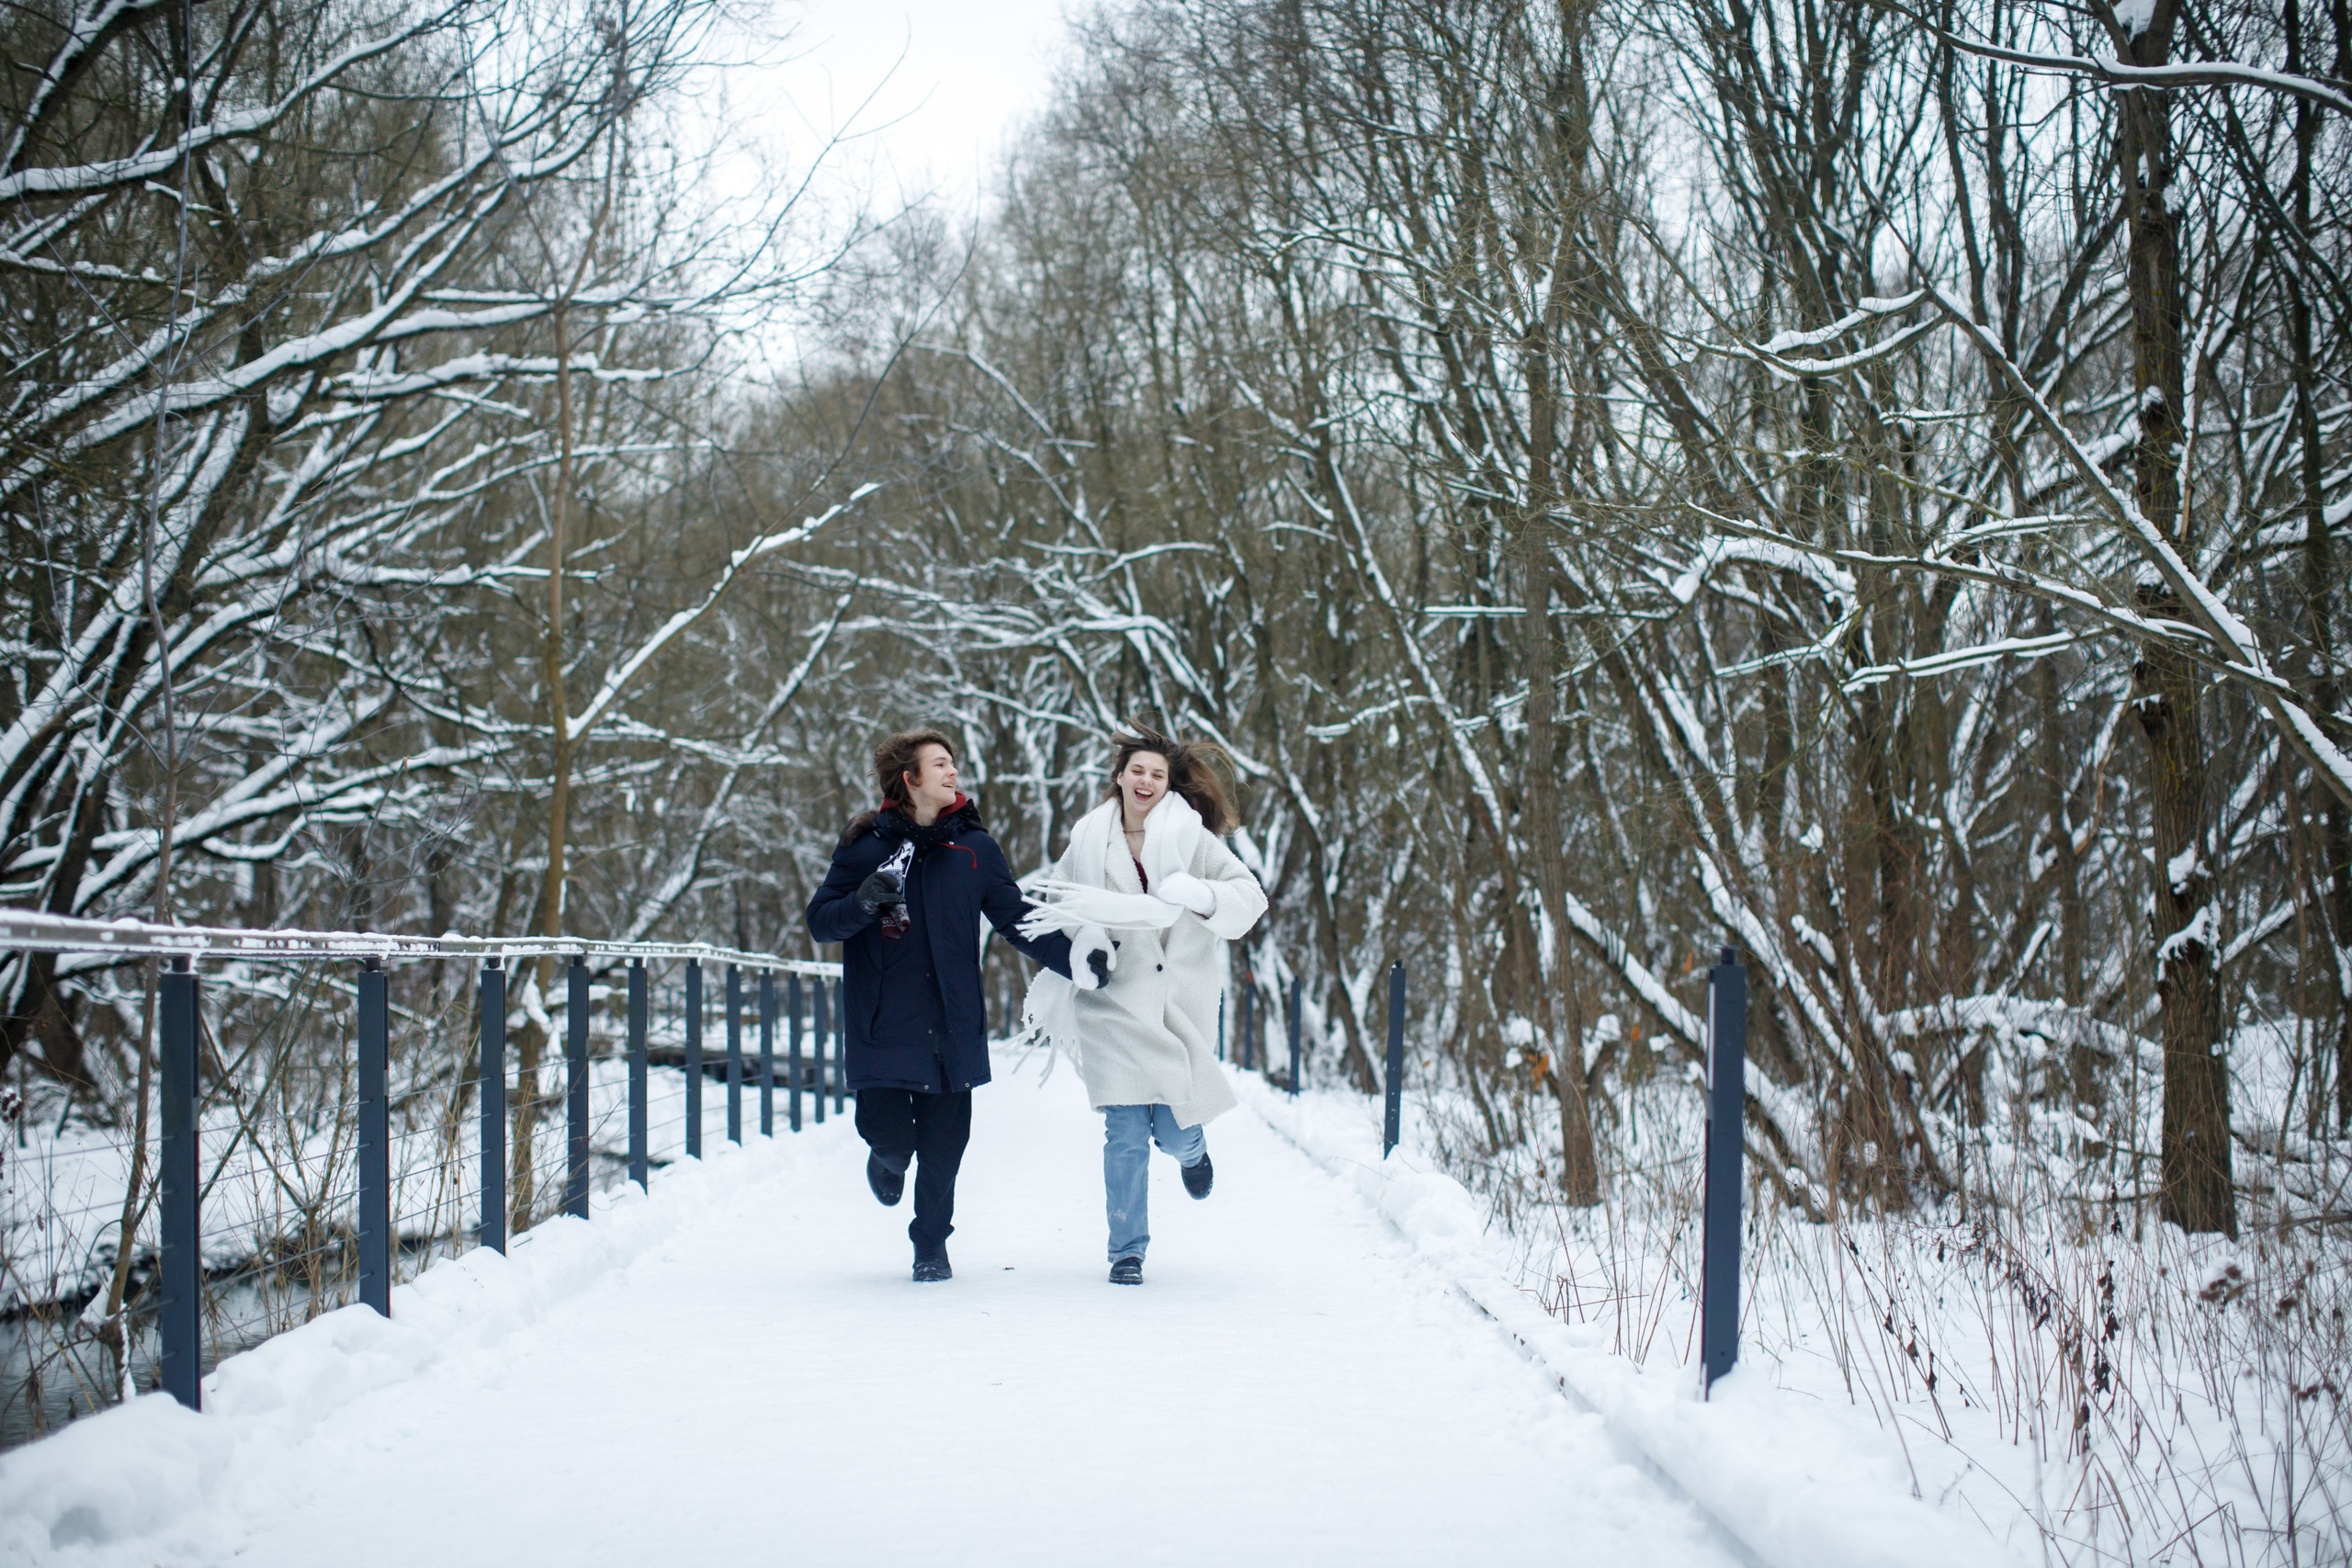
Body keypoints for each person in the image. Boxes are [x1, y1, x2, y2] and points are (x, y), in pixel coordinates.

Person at [808, 728, 1114, 1283]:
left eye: (953, 764)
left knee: (946, 1145)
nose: (953, 773)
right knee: (891, 1133)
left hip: (951, 1022)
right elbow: (820, 921)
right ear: (911, 779)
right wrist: (861, 902)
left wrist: (1075, 961)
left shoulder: (975, 850)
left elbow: (1017, 919)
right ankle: (888, 1158)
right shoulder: (866, 846)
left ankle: (931, 1245)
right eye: (941, 764)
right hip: (881, 1019)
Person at [1021, 726, 1267, 1284]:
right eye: (1138, 770)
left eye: (1158, 774)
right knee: (1125, 1135)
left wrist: (1201, 896)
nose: (1146, 781)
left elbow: (1250, 899)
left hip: (1179, 1008)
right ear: (1120, 776)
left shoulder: (1194, 840)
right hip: (1113, 1008)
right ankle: (1126, 1251)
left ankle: (1193, 1152)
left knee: (1174, 1132)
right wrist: (1081, 950)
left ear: (1167, 784)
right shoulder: (1087, 841)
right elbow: (1061, 912)